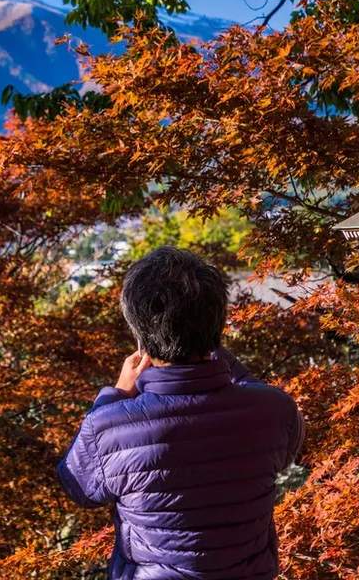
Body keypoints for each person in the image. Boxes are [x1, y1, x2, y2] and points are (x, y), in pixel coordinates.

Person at [58, 247, 304, 580]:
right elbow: (282, 436)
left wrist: (114, 394)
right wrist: (220, 357)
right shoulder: (275, 411)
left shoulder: (110, 425)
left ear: (140, 334)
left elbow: (80, 487)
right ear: (218, 320)